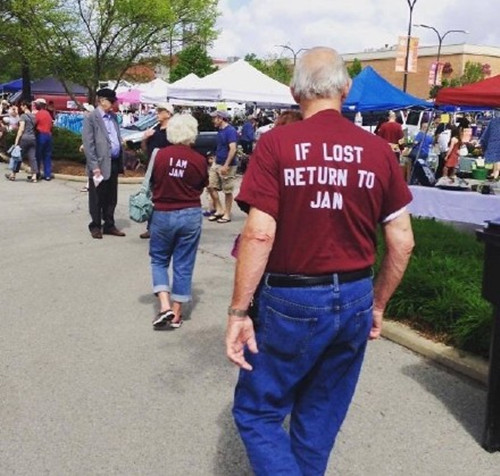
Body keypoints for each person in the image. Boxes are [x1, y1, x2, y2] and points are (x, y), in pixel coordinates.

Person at [225, 46, 414, 475]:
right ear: (346, 89)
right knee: (320, 417)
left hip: (291, 299)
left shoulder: (276, 145)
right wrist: (378, 304)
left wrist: (238, 310)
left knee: (258, 412)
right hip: (354, 296)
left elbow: (258, 231)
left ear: (295, 92)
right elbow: (402, 241)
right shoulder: (379, 152)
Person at [149, 113, 208, 330]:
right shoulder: (199, 159)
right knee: (184, 263)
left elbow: (153, 181)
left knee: (158, 259)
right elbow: (202, 184)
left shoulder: (160, 155)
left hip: (163, 212)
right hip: (190, 213)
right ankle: (176, 313)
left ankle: (164, 305)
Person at [82, 88, 125, 239]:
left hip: (113, 161)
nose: (113, 104)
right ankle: (95, 225)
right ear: (101, 100)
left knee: (111, 196)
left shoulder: (113, 117)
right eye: (111, 101)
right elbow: (88, 144)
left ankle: (109, 224)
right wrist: (94, 167)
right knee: (97, 197)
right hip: (98, 165)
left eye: (114, 101)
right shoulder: (91, 118)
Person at [139, 102, 174, 239]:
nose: (157, 113)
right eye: (158, 111)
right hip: (153, 170)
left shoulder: (173, 132)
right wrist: (145, 139)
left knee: (167, 199)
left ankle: (167, 229)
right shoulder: (155, 129)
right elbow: (144, 150)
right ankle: (151, 227)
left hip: (167, 171)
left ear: (168, 114)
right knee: (153, 199)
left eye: (161, 111)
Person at [206, 110, 238, 224]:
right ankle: (219, 209)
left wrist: (226, 165)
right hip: (217, 162)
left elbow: (233, 149)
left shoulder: (230, 131)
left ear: (220, 118)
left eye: (214, 118)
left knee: (227, 190)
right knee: (210, 185)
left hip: (227, 164)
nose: (213, 120)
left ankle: (227, 214)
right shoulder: (220, 131)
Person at [5, 101, 38, 182]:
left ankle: (13, 175)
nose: (20, 107)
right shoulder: (34, 116)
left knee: (18, 157)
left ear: (25, 106)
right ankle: (34, 176)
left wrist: (16, 140)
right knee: (32, 157)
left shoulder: (23, 116)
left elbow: (21, 129)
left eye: (22, 106)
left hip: (25, 138)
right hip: (33, 138)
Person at [34, 98, 54, 181]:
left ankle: (37, 173)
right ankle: (47, 175)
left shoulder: (38, 114)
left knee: (38, 155)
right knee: (47, 155)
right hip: (48, 135)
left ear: (40, 105)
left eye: (36, 104)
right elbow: (51, 125)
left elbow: (34, 124)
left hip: (41, 135)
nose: (35, 106)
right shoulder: (48, 114)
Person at [480, 113, 500, 181]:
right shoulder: (493, 122)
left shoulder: (493, 122)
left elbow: (484, 139)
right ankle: (495, 177)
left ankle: (494, 176)